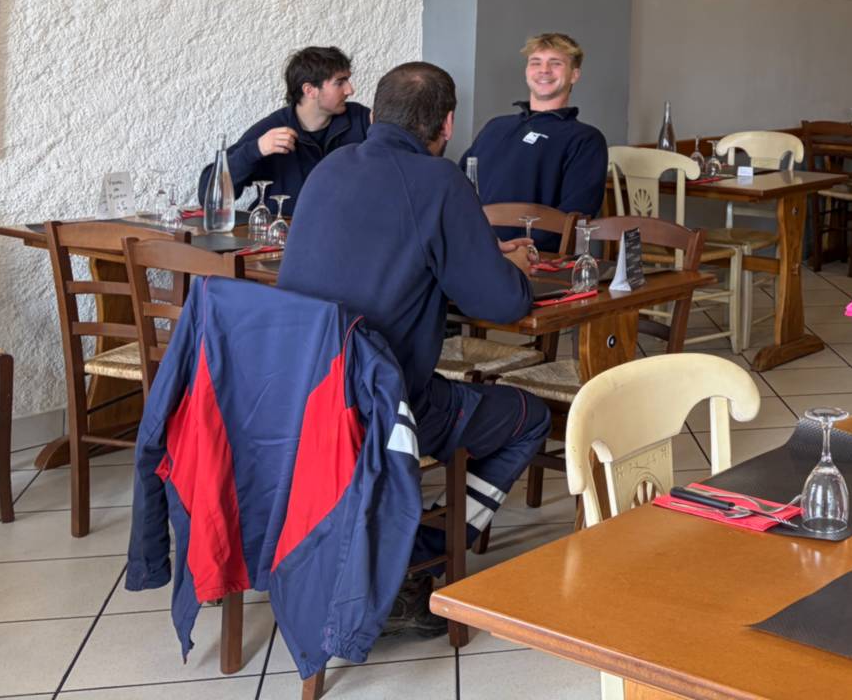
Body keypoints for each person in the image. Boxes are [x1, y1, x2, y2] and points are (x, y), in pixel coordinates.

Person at [278, 62, 549, 636]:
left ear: (375, 114)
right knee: (528, 416)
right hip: (382, 408)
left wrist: (480, 250)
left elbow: (387, 245)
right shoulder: (440, 180)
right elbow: (501, 304)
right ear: (446, 125)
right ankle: (414, 561)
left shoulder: (329, 169)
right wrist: (514, 269)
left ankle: (386, 550)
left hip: (298, 398)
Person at [461, 32, 609, 244]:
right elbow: (458, 187)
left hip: (534, 255)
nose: (544, 70)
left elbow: (575, 215)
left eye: (555, 63)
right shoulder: (495, 127)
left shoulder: (585, 140)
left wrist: (520, 249)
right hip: (471, 247)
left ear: (574, 75)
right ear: (526, 71)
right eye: (536, 62)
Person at [221, 46, 369, 208]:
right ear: (309, 90)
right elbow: (210, 192)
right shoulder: (271, 129)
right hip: (286, 224)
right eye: (340, 83)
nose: (350, 90)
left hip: (346, 223)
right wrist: (256, 149)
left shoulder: (361, 119)